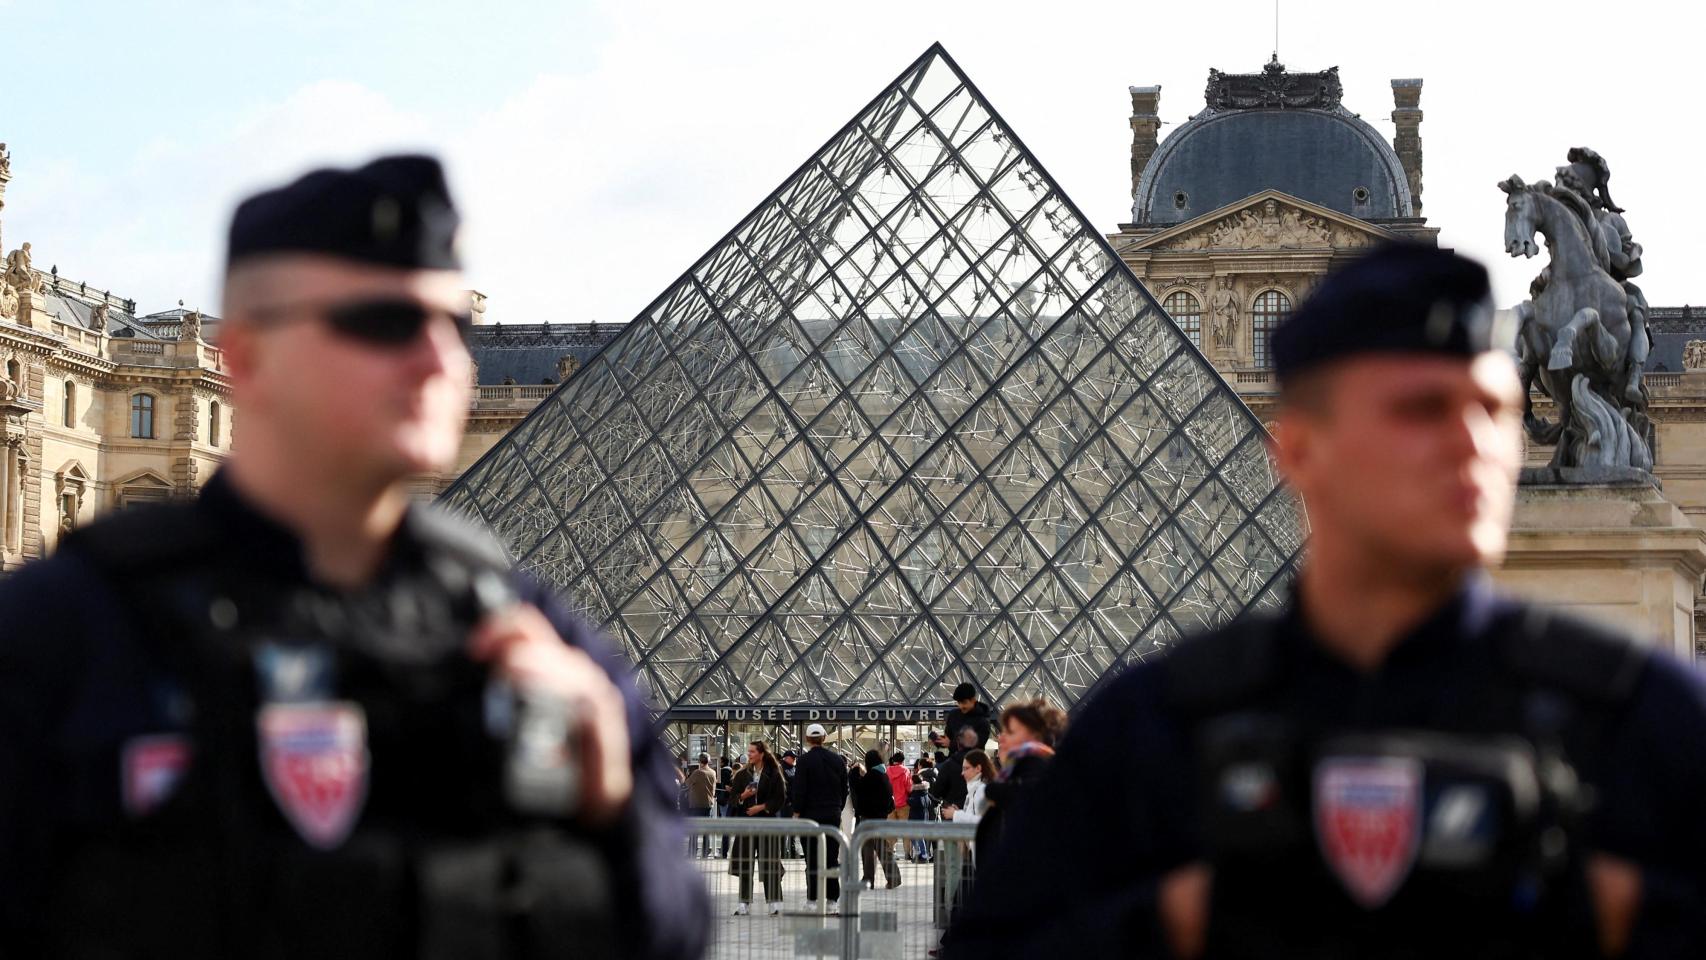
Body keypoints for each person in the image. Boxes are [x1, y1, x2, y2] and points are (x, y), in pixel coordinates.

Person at [0, 155, 708, 960]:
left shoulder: (528, 628)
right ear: (247, 355)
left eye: (454, 325)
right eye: (383, 321)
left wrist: (612, 798)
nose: (439, 359)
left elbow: (674, 933)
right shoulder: (61, 632)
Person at [945, 244, 1706, 959]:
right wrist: (1185, 917)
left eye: (1494, 410)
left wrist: (1616, 913)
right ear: (1298, 448)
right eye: (1421, 410)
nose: (1472, 442)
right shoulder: (1147, 735)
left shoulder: (1649, 723)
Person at [975, 699, 1066, 857]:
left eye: (1010, 732)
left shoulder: (1036, 770)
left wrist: (995, 791)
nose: (1000, 738)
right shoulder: (1020, 772)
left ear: (1036, 736)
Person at [790, 723, 849, 911]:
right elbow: (844, 789)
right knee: (831, 858)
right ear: (824, 738)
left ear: (807, 739)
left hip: (810, 816)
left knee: (812, 859)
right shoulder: (837, 760)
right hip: (832, 815)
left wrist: (796, 813)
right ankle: (833, 901)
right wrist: (837, 807)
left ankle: (813, 900)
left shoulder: (804, 761)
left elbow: (799, 790)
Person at [727, 740, 785, 917]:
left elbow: (780, 798)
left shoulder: (774, 773)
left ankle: (774, 902)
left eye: (752, 752)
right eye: (749, 752)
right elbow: (733, 800)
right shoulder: (742, 774)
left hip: (767, 822)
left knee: (769, 863)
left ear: (761, 753)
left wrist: (761, 807)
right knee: (745, 863)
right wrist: (744, 795)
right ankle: (744, 903)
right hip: (746, 824)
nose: (749, 754)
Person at [855, 749, 901, 889]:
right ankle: (894, 878)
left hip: (869, 819)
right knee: (883, 849)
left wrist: (854, 773)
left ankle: (868, 880)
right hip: (880, 818)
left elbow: (859, 792)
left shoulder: (872, 776)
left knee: (868, 850)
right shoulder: (883, 775)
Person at [685, 754, 718, 858]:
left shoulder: (697, 773)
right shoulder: (713, 772)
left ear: (699, 761)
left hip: (696, 804)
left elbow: (687, 783)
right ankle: (705, 852)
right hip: (708, 804)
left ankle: (692, 852)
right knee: (706, 830)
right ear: (708, 761)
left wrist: (687, 776)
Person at [943, 682, 992, 752]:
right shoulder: (953, 715)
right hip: (953, 759)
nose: (961, 706)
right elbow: (948, 737)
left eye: (964, 702)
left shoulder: (983, 722)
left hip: (972, 761)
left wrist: (950, 744)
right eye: (958, 703)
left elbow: (975, 746)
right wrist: (940, 741)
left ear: (973, 700)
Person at [779, 749, 800, 858]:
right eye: (793, 757)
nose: (794, 759)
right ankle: (783, 851)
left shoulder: (794, 768)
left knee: (792, 828)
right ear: (787, 758)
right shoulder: (782, 768)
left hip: (793, 803)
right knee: (784, 828)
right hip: (786, 803)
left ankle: (791, 851)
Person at [716, 756, 734, 858]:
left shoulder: (722, 772)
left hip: (724, 801)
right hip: (730, 801)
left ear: (722, 762)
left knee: (726, 826)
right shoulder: (731, 771)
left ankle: (723, 851)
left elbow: (721, 786)